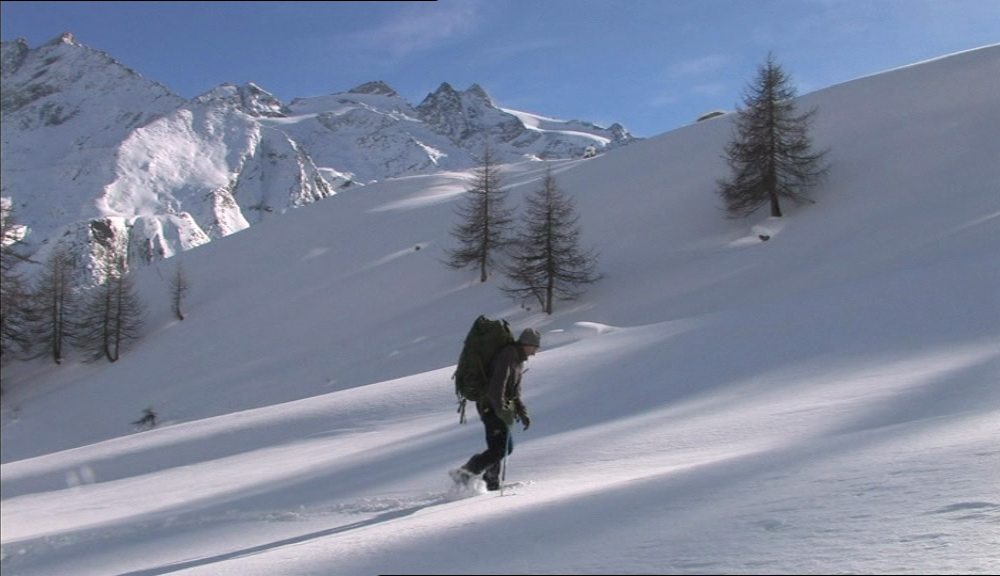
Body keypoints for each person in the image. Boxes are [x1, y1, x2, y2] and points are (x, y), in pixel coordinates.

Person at [451, 327, 540, 491]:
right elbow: (497, 385)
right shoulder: (509, 355)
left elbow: (514, 391)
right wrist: (501, 409)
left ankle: (491, 482)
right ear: (527, 344)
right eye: (535, 348)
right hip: (490, 406)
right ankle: (465, 472)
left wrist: (522, 412)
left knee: (499, 447)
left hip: (498, 407)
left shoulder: (517, 360)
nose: (534, 353)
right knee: (502, 448)